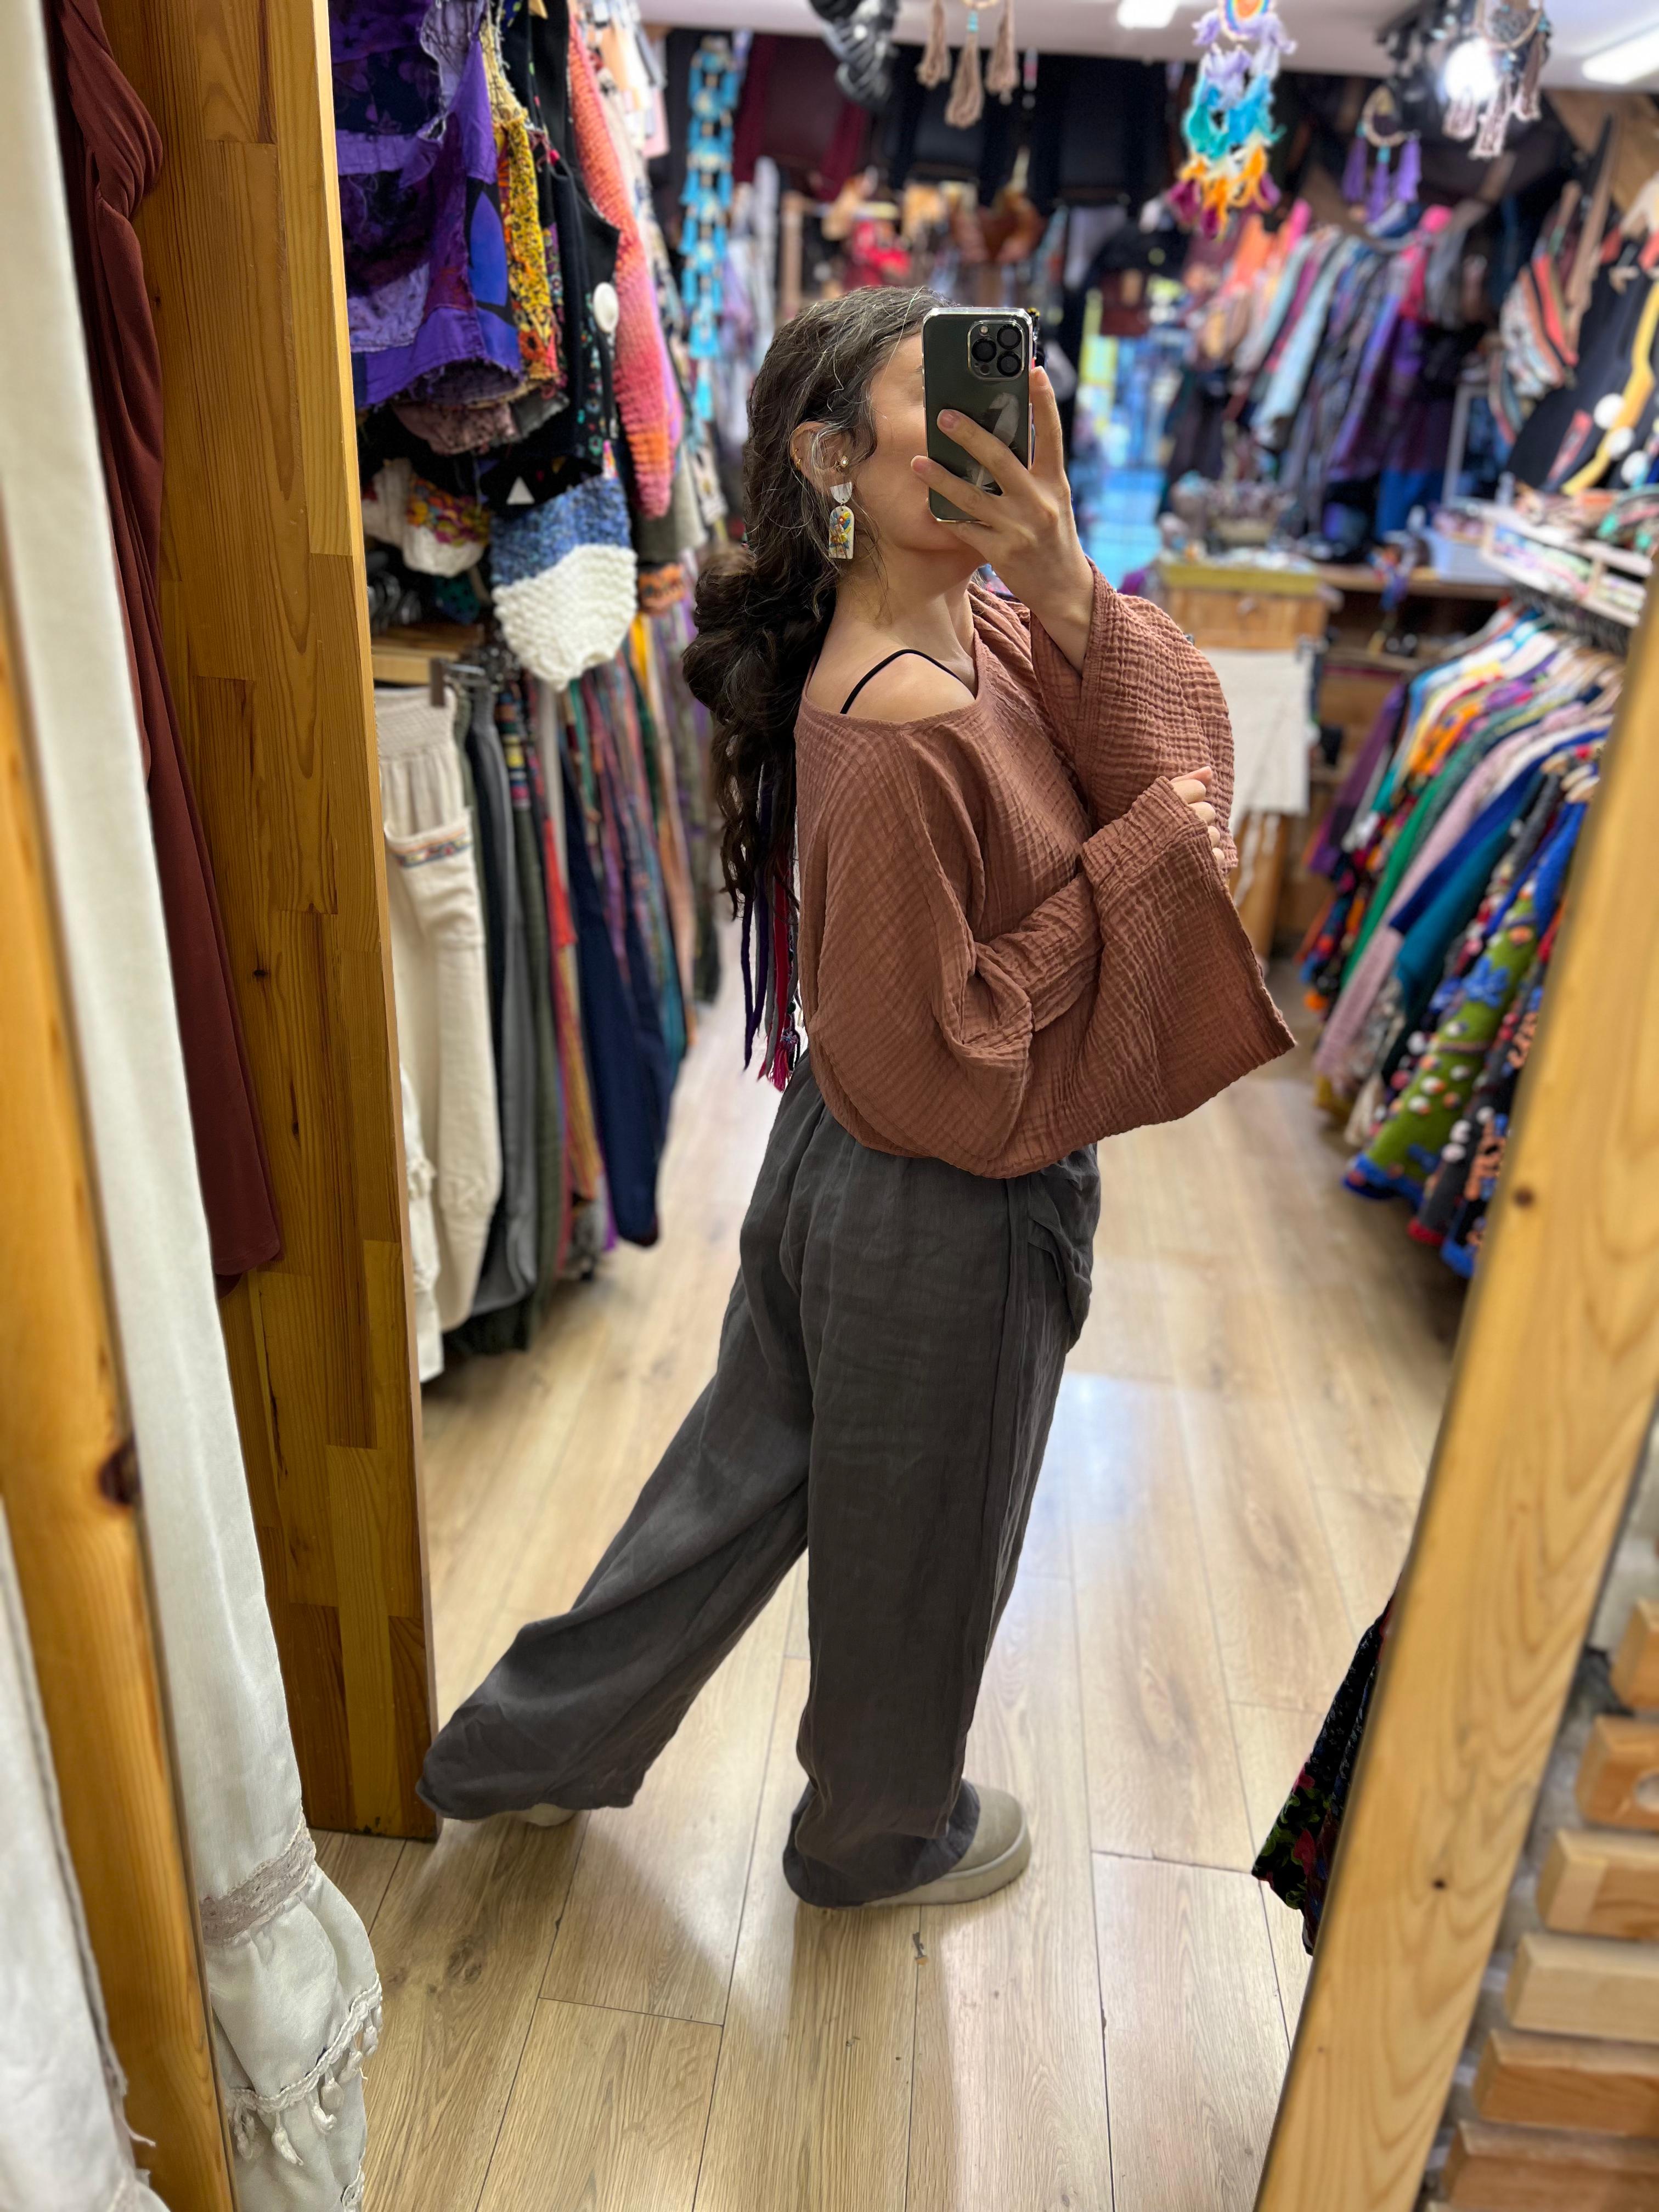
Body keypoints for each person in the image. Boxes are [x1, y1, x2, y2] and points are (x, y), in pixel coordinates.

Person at [419, 286, 1293, 1909]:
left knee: (744, 1476)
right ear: (833, 461)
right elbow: (947, 1049)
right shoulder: (897, 713)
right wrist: (1142, 867)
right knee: (925, 1540)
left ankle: (527, 1745)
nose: (991, 437)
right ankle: (878, 1841)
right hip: (943, 1193)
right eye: (939, 413)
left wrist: (1063, 575)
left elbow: (1186, 758)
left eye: (1002, 404)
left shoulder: (991, 626)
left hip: (853, 1159)